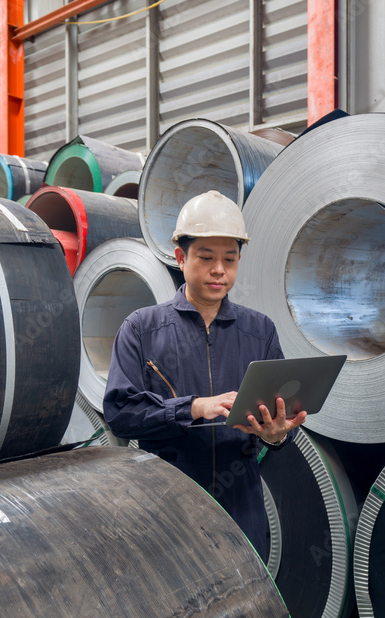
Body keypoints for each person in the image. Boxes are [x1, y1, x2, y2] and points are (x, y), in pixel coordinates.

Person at [103, 190, 305, 559]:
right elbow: (121, 414)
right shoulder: (142, 329)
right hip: (167, 510)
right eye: (206, 257)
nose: (219, 270)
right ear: (181, 258)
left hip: (241, 509)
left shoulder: (259, 332)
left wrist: (276, 436)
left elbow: (278, 419)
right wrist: (193, 407)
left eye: (229, 259)